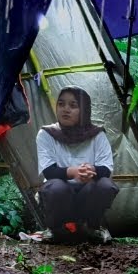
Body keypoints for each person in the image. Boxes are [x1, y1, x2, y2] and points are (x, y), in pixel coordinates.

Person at [36, 86, 118, 243]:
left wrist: (91, 170)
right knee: (55, 187)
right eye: (61, 104)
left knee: (105, 185)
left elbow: (106, 169)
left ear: (84, 110)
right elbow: (48, 172)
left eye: (73, 105)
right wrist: (74, 172)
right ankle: (56, 229)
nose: (65, 109)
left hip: (88, 192)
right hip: (60, 195)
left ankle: (92, 227)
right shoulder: (46, 134)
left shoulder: (97, 135)